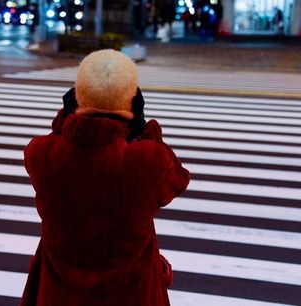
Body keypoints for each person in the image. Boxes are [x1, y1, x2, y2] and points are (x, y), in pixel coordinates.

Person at [20, 49, 190, 306]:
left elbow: (53, 145)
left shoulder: (43, 154)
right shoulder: (148, 160)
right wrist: (147, 130)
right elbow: (178, 180)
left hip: (59, 295)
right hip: (131, 294)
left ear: (77, 96)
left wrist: (64, 121)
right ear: (132, 99)